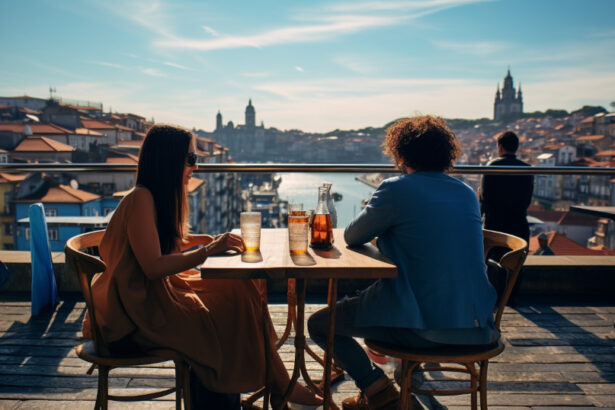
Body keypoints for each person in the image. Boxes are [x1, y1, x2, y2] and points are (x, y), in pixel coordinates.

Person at [82, 124, 321, 409]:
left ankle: (267, 385)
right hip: (135, 312)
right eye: (191, 159)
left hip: (150, 296)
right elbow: (153, 267)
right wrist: (208, 250)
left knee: (242, 288)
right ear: (169, 160)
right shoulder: (140, 198)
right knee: (230, 307)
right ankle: (268, 387)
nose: (196, 167)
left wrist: (199, 241)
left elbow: (157, 246)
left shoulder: (153, 197)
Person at [308, 116, 499, 410]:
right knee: (382, 304)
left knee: (320, 324)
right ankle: (392, 382)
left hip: (421, 330)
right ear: (446, 153)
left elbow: (353, 235)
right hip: (477, 327)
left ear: (400, 154)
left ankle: (377, 390)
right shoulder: (465, 192)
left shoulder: (395, 189)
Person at [479, 130, 534, 241]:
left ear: (500, 147)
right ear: (516, 147)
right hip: (519, 227)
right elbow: (526, 201)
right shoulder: (527, 169)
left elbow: (485, 199)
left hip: (494, 226)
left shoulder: (492, 166)